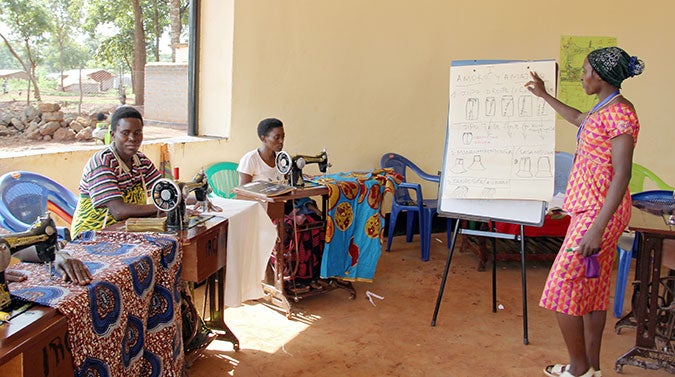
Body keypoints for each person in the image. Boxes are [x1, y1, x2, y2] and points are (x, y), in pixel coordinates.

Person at [525, 47, 645, 377]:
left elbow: (622, 173)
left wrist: (597, 228)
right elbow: (579, 119)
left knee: (561, 286)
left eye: (585, 70)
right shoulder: (603, 107)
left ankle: (578, 367)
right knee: (592, 290)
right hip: (591, 209)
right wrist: (545, 95)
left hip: (599, 212)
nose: (582, 75)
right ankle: (592, 367)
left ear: (601, 77)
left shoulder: (621, 114)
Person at [70, 105, 215, 356]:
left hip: (128, 234)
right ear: (113, 133)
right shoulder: (102, 162)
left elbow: (163, 190)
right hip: (95, 237)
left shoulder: (139, 160)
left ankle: (175, 335)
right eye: (126, 133)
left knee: (168, 263)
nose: (132, 139)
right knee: (150, 270)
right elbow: (118, 210)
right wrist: (163, 207)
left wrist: (192, 198)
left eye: (138, 133)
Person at [238, 117, 287, 184]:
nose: (281, 141)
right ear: (263, 139)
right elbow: (242, 192)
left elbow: (289, 182)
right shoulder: (250, 159)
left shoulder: (282, 158)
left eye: (283, 137)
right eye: (277, 138)